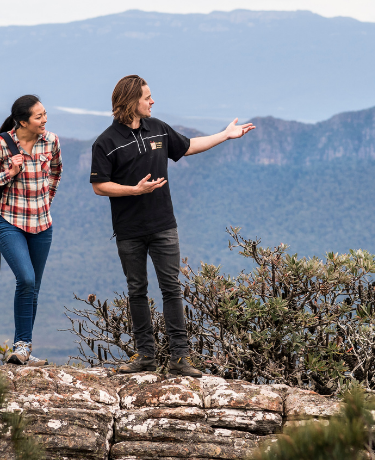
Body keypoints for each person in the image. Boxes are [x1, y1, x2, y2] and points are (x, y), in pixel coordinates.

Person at [90, 75, 255, 376]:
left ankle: (180, 359)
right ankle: (145, 357)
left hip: (164, 224)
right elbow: (100, 186)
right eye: (147, 97)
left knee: (171, 289)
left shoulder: (158, 129)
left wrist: (224, 135)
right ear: (131, 102)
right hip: (129, 230)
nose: (152, 101)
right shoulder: (106, 142)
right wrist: (134, 191)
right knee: (137, 290)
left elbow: (189, 146)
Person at [0, 95, 62, 366]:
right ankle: (21, 345)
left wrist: (47, 199)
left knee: (33, 286)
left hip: (42, 224)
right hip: (10, 221)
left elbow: (57, 171)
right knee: (25, 279)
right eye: (38, 117)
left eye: (45, 114)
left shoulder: (51, 141)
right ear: (23, 121)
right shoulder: (2, 144)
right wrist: (9, 174)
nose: (45, 120)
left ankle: (24, 349)